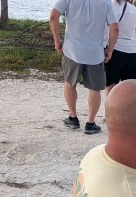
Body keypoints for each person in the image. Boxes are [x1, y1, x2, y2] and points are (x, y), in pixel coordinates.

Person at [50, 0, 119, 134]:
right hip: (95, 53)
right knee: (95, 88)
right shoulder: (105, 2)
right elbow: (115, 28)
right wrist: (110, 50)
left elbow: (53, 16)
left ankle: (73, 117)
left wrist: (57, 40)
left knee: (70, 82)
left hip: (72, 50)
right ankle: (91, 123)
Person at [103, 0, 136, 95]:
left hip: (116, 50)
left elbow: (107, 29)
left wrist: (105, 47)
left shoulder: (109, 7)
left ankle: (111, 108)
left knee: (111, 85)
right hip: (133, 52)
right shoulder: (134, 9)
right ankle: (130, 108)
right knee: (133, 87)